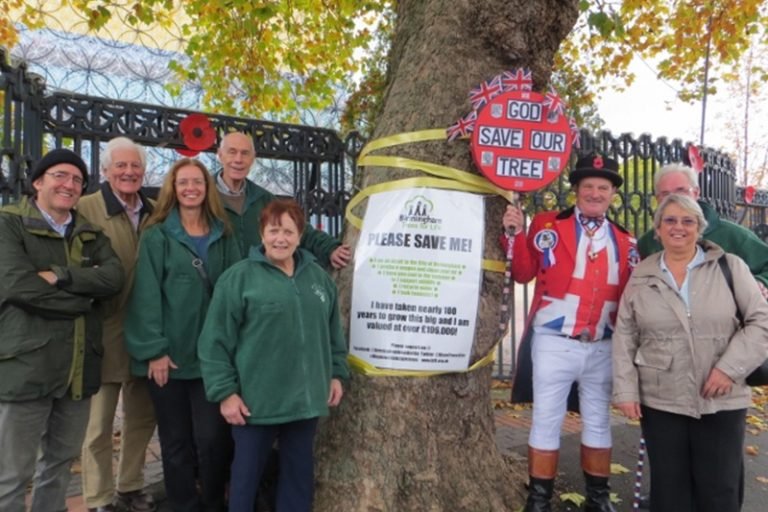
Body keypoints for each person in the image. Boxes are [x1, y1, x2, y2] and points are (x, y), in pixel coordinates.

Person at [613, 193, 768, 512]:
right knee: (670, 493)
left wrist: (729, 369)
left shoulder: (730, 267)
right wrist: (626, 389)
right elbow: (625, 333)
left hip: (721, 398)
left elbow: (760, 320)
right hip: (661, 399)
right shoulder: (642, 274)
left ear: (700, 228)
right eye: (669, 220)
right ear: (657, 230)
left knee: (719, 490)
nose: (678, 227)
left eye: (688, 221)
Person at [502, 153, 637, 512]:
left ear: (612, 194)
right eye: (588, 186)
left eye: (603, 187)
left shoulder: (626, 239)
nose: (595, 192)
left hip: (602, 344)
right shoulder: (547, 224)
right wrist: (513, 233)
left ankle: (598, 498)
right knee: (546, 418)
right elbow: (522, 273)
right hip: (554, 341)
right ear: (576, 190)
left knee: (598, 420)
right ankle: (539, 500)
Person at [198, 198, 349, 512]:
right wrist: (225, 393)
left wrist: (336, 373)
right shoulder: (238, 279)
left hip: (306, 400)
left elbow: (333, 335)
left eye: (289, 231)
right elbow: (214, 342)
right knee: (246, 479)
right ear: (262, 233)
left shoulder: (319, 280)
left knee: (298, 476)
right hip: (256, 403)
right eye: (273, 230)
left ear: (300, 234)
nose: (281, 238)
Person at [0, 149, 125, 512]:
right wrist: (85, 301)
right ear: (38, 181)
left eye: (77, 180)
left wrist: (63, 276)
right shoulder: (9, 224)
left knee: (58, 465)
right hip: (25, 368)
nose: (69, 184)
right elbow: (16, 286)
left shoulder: (89, 233)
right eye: (60, 175)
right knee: (12, 474)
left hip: (77, 368)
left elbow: (113, 278)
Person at [125, 158, 241, 512]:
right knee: (175, 442)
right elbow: (145, 296)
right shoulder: (157, 235)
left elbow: (237, 290)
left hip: (213, 359)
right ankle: (183, 505)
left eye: (197, 182)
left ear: (207, 189)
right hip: (170, 358)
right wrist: (154, 350)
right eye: (182, 183)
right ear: (172, 190)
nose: (190, 188)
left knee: (212, 440)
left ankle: (211, 503)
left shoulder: (224, 233)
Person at [78, 137, 157, 512]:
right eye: (120, 166)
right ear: (106, 171)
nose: (128, 172)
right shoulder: (86, 208)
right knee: (98, 424)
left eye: (135, 166)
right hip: (102, 329)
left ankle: (130, 485)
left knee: (142, 417)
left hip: (145, 330)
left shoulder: (155, 211)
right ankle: (98, 498)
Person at [215, 131, 351, 267]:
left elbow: (298, 228)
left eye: (245, 153)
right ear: (220, 155)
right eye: (232, 152)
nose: (238, 159)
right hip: (216, 285)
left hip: (257, 283)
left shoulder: (262, 198)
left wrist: (330, 248)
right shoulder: (204, 195)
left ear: (253, 158)